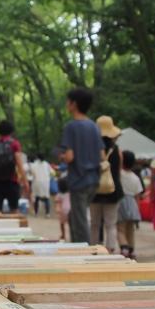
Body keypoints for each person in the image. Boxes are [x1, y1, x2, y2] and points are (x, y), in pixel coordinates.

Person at [58, 88, 103, 244]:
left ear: (74, 104)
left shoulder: (71, 127)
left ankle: (84, 251)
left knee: (80, 221)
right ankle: (76, 246)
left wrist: (62, 156)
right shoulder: (94, 126)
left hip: (79, 180)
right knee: (75, 216)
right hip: (94, 180)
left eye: (68, 101)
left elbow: (70, 157)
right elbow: (102, 155)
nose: (66, 104)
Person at [90, 116, 122, 252]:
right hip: (113, 190)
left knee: (94, 224)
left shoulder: (91, 149)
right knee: (111, 224)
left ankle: (93, 249)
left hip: (94, 190)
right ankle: (110, 250)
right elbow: (118, 171)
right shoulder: (117, 149)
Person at [0, 120, 29, 212]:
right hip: (12, 181)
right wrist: (25, 181)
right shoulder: (14, 144)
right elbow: (19, 164)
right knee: (14, 210)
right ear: (11, 131)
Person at [118, 150, 143, 259]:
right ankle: (131, 249)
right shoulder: (136, 178)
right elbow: (138, 196)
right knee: (130, 230)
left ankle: (124, 248)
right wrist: (138, 210)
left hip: (121, 202)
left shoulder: (119, 174)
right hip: (133, 203)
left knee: (120, 229)